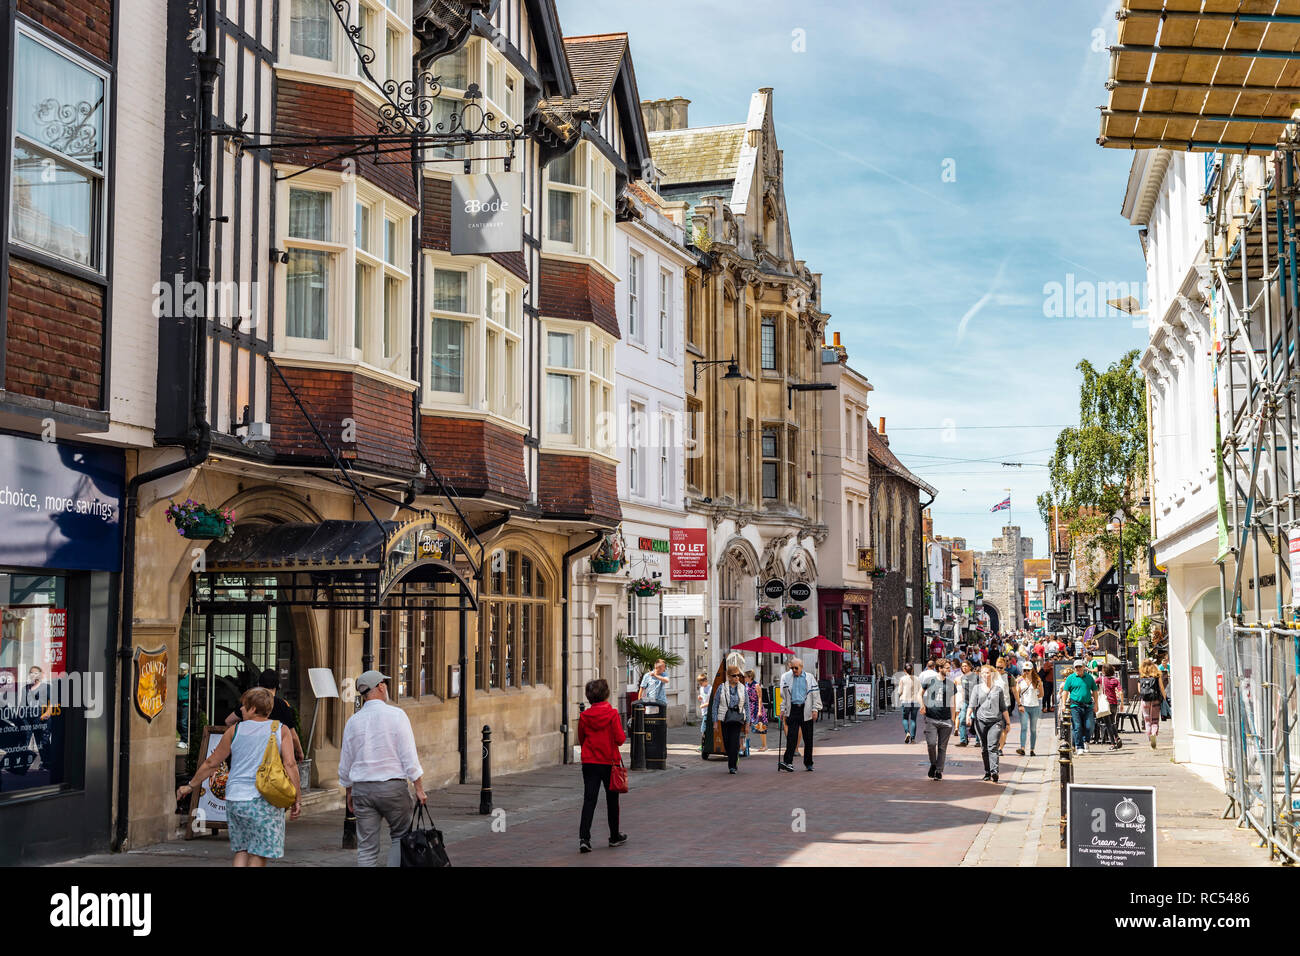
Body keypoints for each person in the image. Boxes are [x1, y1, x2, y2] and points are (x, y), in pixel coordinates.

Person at [176, 687, 301, 866]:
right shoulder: (280, 730)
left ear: (252, 709)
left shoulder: (234, 730)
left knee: (242, 850)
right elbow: (290, 764)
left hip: (235, 800)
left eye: (243, 706)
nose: (240, 709)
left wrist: (191, 785)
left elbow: (211, 763)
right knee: (258, 853)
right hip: (262, 800)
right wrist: (297, 796)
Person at [337, 670, 427, 867]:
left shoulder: (353, 721)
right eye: (384, 684)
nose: (386, 687)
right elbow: (409, 756)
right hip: (392, 788)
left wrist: (349, 792)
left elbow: (346, 763)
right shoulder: (397, 715)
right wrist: (419, 788)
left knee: (367, 848)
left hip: (362, 789)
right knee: (399, 838)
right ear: (379, 687)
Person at [577, 678, 627, 852]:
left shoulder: (584, 716)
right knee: (612, 800)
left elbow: (581, 738)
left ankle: (584, 838)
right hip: (609, 762)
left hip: (590, 761)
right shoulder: (612, 714)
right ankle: (614, 836)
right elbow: (620, 739)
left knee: (589, 800)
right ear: (605, 694)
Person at [224, 669, 305, 763]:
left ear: (259, 684)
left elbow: (228, 721)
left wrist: (239, 738)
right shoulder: (282, 705)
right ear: (277, 686)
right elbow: (293, 735)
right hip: (273, 758)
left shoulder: (250, 701)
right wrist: (299, 752)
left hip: (249, 755)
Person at [967, 665, 1010, 782]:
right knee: (984, 748)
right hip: (981, 721)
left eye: (988, 672)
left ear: (992, 674)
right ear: (981, 675)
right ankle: (987, 772)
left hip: (995, 721)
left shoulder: (998, 689)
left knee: (993, 747)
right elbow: (971, 704)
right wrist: (967, 716)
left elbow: (1003, 707)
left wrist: (1008, 722)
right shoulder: (976, 688)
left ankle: (994, 771)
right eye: (984, 673)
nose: (986, 675)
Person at [778, 658, 821, 772]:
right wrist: (782, 709)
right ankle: (788, 762)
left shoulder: (809, 677)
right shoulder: (787, 678)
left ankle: (808, 763)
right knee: (791, 737)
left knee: (808, 739)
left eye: (796, 668)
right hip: (793, 710)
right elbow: (784, 696)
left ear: (802, 667)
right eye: (792, 668)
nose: (794, 670)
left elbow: (815, 694)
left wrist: (815, 709)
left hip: (806, 710)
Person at [920, 659, 957, 780]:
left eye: (949, 667)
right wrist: (922, 705)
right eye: (947, 667)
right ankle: (933, 764)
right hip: (931, 718)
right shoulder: (930, 681)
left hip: (946, 720)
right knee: (931, 744)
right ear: (939, 668)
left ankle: (938, 771)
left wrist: (953, 720)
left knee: (942, 747)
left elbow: (953, 702)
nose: (949, 670)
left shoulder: (951, 684)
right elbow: (919, 694)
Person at [712, 666, 749, 773]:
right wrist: (715, 721)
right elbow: (715, 705)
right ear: (728, 676)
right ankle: (733, 756)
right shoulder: (721, 687)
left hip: (738, 717)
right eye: (734, 675)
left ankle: (732, 766)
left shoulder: (742, 688)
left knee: (734, 742)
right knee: (727, 742)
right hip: (725, 718)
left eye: (738, 675)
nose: (737, 677)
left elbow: (747, 706)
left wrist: (747, 723)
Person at [1061, 659, 1098, 754]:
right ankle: (1079, 746)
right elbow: (1065, 692)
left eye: (1080, 667)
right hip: (1075, 706)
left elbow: (1094, 691)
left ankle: (1085, 741)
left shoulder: (1089, 678)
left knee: (1090, 726)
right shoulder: (1070, 678)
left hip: (1088, 705)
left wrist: (1096, 704)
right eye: (1076, 667)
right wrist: (1063, 704)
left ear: (1083, 667)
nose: (1078, 669)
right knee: (1077, 726)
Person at [1015, 665, 1043, 756]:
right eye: (1024, 670)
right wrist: (1019, 704)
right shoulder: (1019, 680)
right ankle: (1022, 748)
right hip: (1024, 707)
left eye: (1028, 670)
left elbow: (1041, 694)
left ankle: (1032, 749)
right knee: (1024, 727)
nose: (1026, 672)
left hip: (1035, 706)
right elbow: (1017, 693)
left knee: (1033, 729)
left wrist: (1034, 697)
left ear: (1032, 670)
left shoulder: (1037, 680)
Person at [1138, 659, 1166, 749]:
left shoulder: (1141, 677)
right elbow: (1161, 687)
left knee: (1147, 721)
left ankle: (1150, 737)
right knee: (1154, 720)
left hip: (1145, 701)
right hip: (1155, 700)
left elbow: (1139, 690)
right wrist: (1165, 698)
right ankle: (1154, 734)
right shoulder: (1157, 676)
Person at [1097, 663, 1122, 749]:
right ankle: (1117, 738)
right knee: (1112, 722)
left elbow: (1092, 684)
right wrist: (1122, 703)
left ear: (1104, 671)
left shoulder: (1101, 679)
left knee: (1108, 724)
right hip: (1114, 704)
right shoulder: (1115, 680)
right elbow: (1120, 692)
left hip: (1105, 703)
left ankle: (1113, 743)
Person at [956, 660, 978, 747]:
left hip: (975, 702)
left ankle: (978, 741)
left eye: (966, 666)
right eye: (963, 666)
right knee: (962, 720)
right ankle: (963, 740)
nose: (964, 668)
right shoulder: (962, 678)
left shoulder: (976, 677)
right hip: (966, 702)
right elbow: (963, 691)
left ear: (970, 666)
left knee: (976, 721)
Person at [744, 669, 768, 752]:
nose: (744, 678)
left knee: (761, 726)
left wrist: (760, 711)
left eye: (745, 677)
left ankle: (764, 746)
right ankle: (745, 745)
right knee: (746, 725)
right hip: (748, 707)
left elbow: (760, 697)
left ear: (750, 677)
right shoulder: (745, 685)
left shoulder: (756, 685)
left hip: (757, 706)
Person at [898, 663, 921, 744]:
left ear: (904, 670)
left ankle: (907, 732)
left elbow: (899, 691)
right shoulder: (917, 679)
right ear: (912, 670)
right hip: (915, 701)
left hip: (906, 700)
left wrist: (900, 696)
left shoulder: (902, 679)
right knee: (913, 719)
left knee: (905, 718)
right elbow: (920, 691)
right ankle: (913, 738)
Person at [696, 672, 711, 748]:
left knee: (703, 729)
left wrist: (703, 705)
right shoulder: (702, 688)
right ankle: (705, 744)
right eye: (699, 683)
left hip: (708, 712)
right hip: (704, 712)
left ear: (706, 681)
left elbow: (711, 701)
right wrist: (700, 698)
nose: (700, 685)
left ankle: (703, 745)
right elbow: (702, 697)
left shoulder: (710, 689)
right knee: (705, 729)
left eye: (701, 683)